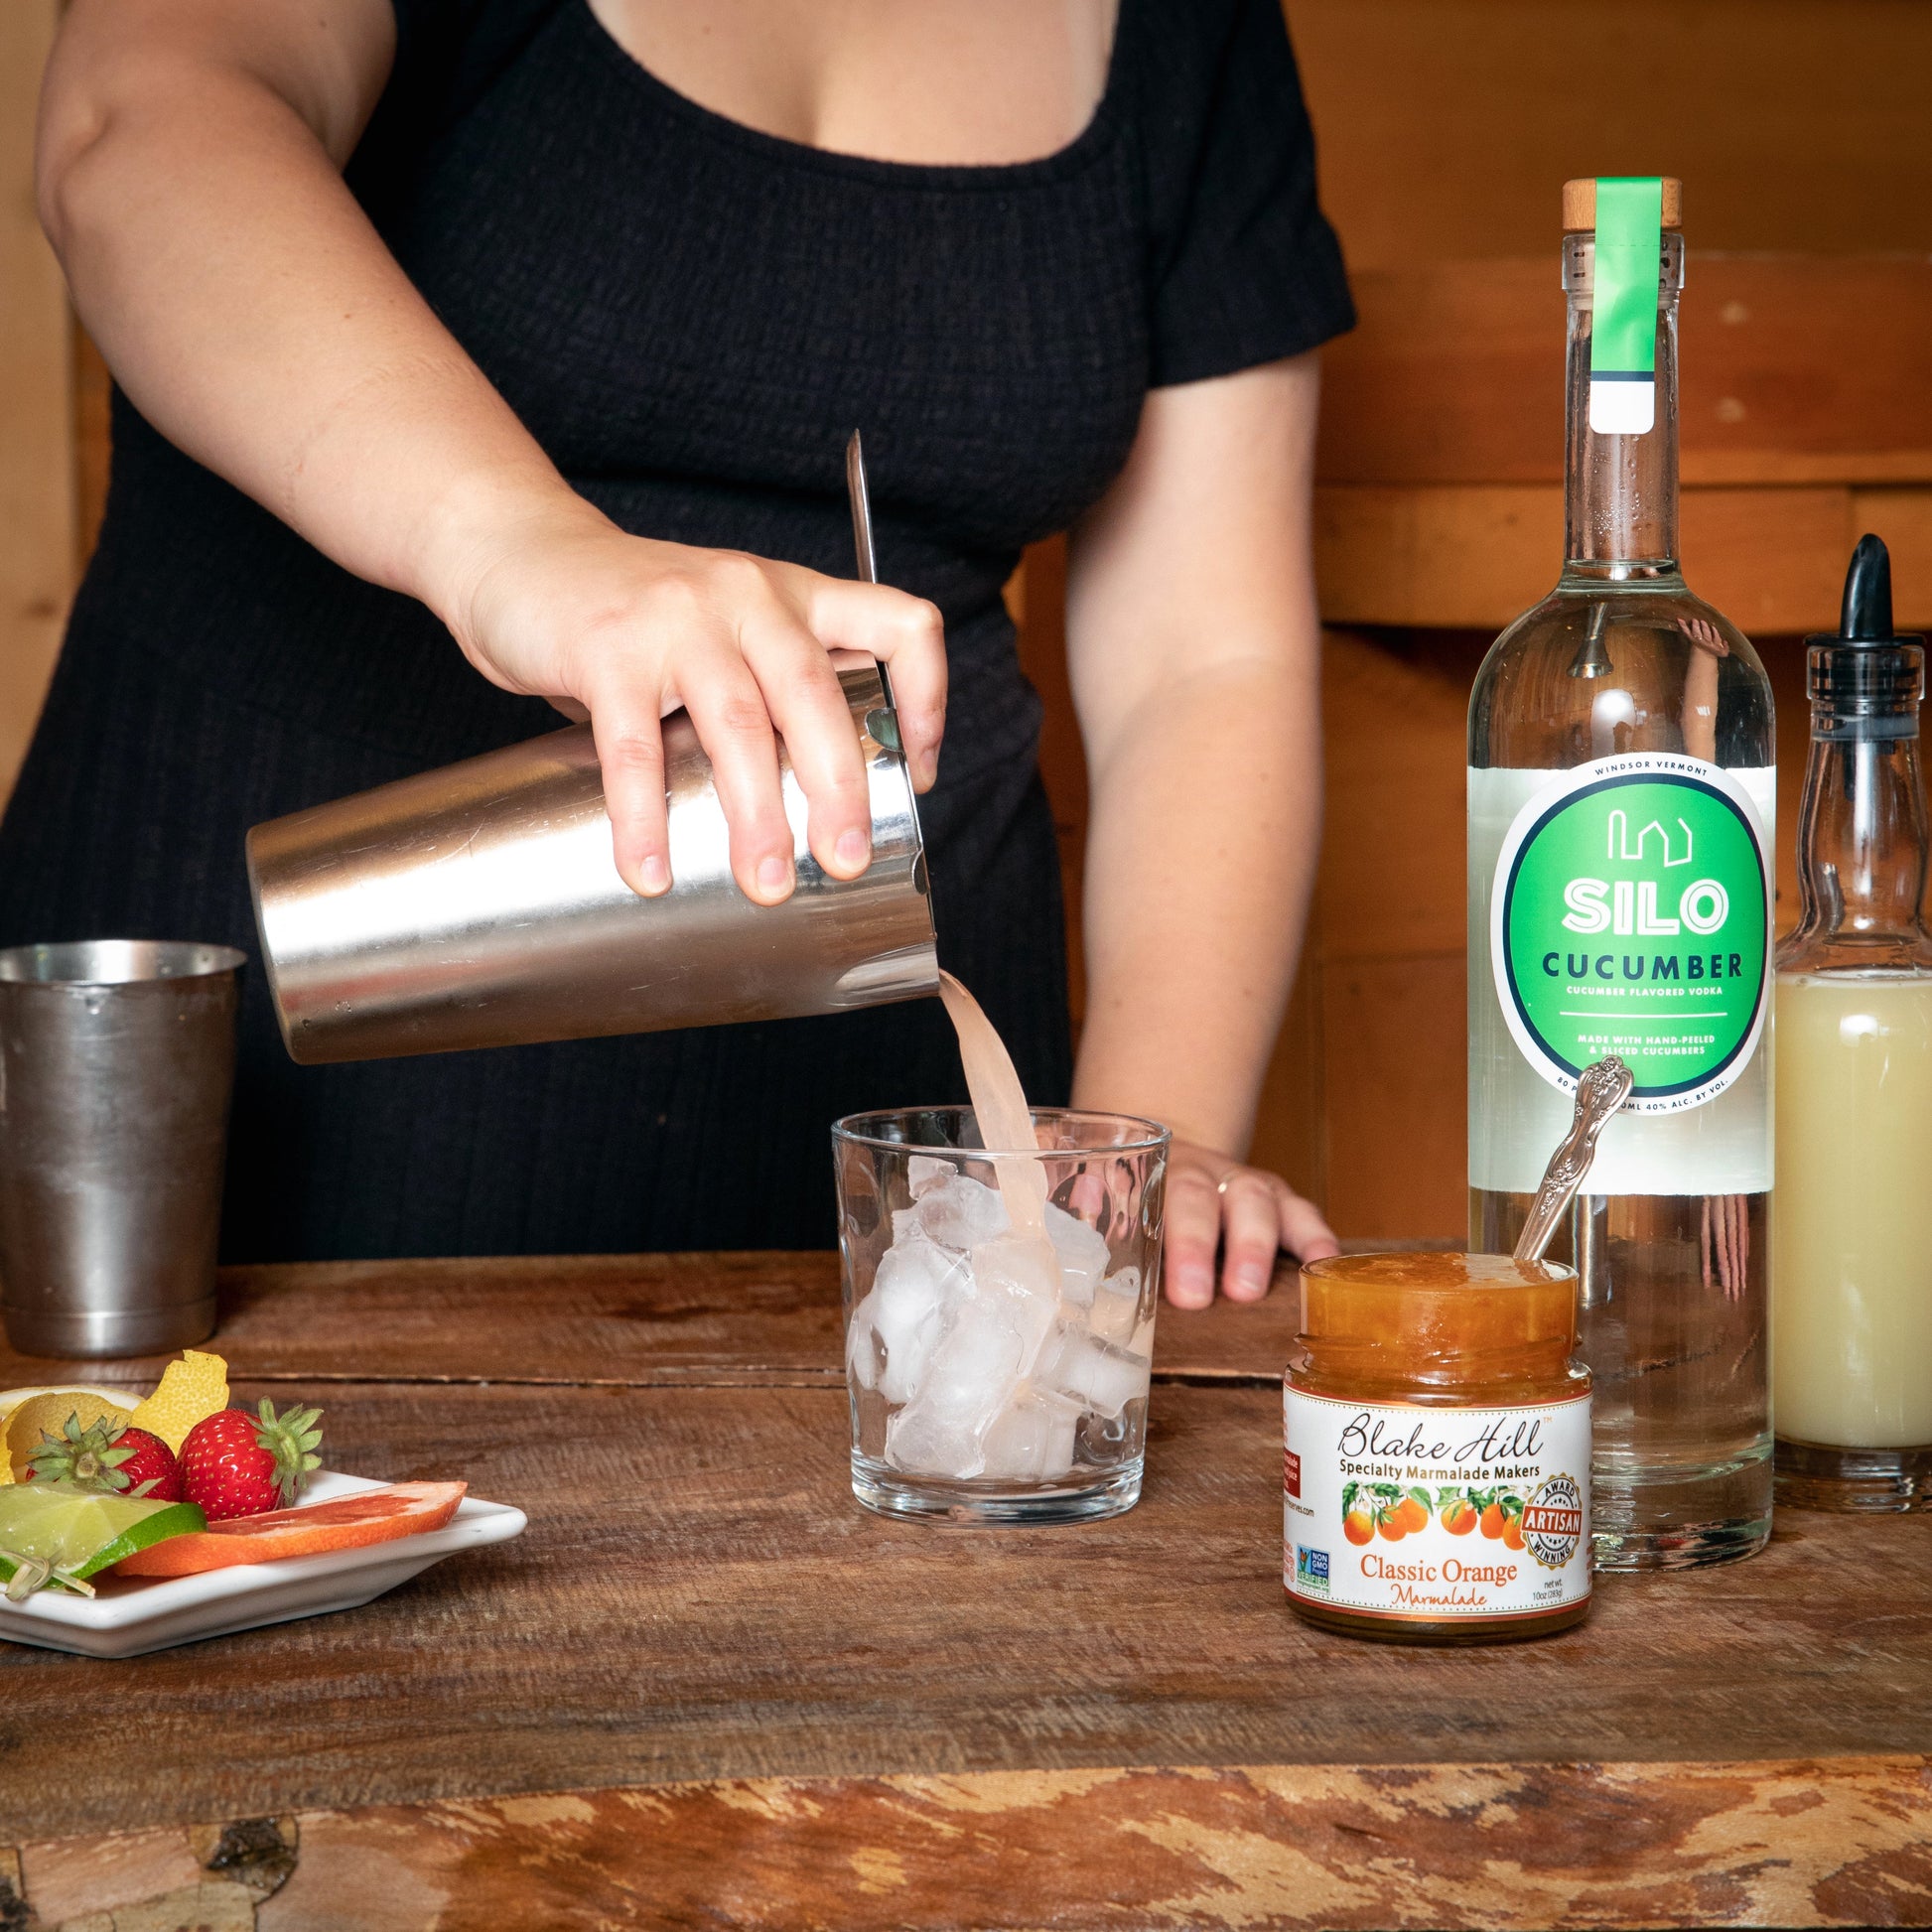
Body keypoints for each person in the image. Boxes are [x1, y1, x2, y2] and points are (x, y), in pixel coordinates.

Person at [14, 0, 1350, 1303]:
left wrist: (1147, 1143)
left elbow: (1204, 659)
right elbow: (136, 123)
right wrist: (515, 544)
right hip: (240, 1078)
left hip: (899, 1179)